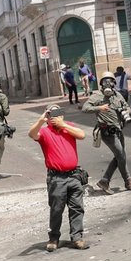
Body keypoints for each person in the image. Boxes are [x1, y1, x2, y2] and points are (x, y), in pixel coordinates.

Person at [29, 105, 89, 251]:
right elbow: (32, 134)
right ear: (47, 117)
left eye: (58, 113)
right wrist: (41, 120)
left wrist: (63, 125)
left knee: (77, 208)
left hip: (74, 175)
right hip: (57, 178)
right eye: (51, 114)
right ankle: (53, 238)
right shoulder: (44, 131)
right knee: (56, 209)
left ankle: (77, 237)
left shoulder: (69, 127)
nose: (55, 117)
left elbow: (82, 135)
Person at [82, 71, 131, 194]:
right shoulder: (96, 96)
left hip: (118, 130)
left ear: (114, 83)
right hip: (106, 132)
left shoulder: (117, 95)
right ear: (101, 83)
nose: (108, 83)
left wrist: (126, 110)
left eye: (110, 81)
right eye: (105, 81)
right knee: (121, 155)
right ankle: (127, 180)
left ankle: (106, 181)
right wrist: (99, 108)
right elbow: (85, 108)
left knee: (120, 156)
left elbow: (127, 106)